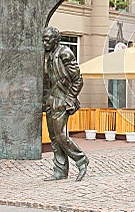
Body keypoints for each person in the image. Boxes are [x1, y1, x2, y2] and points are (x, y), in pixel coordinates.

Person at [42, 26, 89, 181]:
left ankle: (81, 160)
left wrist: (69, 99)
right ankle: (60, 171)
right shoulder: (47, 55)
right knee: (54, 138)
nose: (44, 42)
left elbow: (78, 79)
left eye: (47, 39)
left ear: (56, 39)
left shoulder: (64, 53)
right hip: (51, 100)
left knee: (62, 136)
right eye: (43, 39)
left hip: (62, 100)